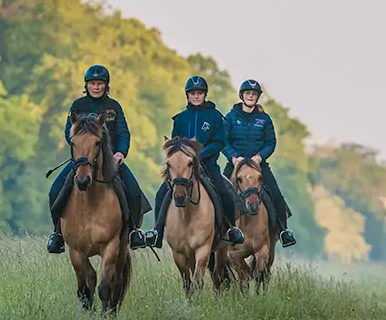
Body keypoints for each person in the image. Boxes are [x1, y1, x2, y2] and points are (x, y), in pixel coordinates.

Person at [46, 64, 151, 254]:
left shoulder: (114, 107)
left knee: (134, 191)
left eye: (100, 83)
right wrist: (81, 148)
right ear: (86, 85)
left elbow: (123, 132)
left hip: (110, 160)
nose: (96, 87)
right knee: (55, 191)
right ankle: (58, 234)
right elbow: (68, 132)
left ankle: (134, 231)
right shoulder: (77, 105)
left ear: (106, 85)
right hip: (82, 159)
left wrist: (121, 152)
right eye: (92, 83)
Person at [143, 76, 246, 249]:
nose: (196, 96)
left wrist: (200, 154)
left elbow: (219, 142)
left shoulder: (215, 117)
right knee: (161, 193)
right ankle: (157, 232)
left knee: (224, 191)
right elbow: (175, 144)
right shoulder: (180, 119)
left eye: (200, 93)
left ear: (204, 94)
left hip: (208, 165)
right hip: (183, 168)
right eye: (193, 93)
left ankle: (231, 229)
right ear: (187, 95)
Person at [223, 79, 297, 247]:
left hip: (259, 166)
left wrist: (260, 157)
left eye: (254, 94)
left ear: (257, 97)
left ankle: (283, 231)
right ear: (242, 95)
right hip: (235, 166)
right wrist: (233, 157)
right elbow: (224, 141)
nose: (250, 96)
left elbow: (271, 142)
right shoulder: (230, 117)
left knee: (276, 196)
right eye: (248, 93)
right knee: (221, 194)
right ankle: (218, 233)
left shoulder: (264, 119)